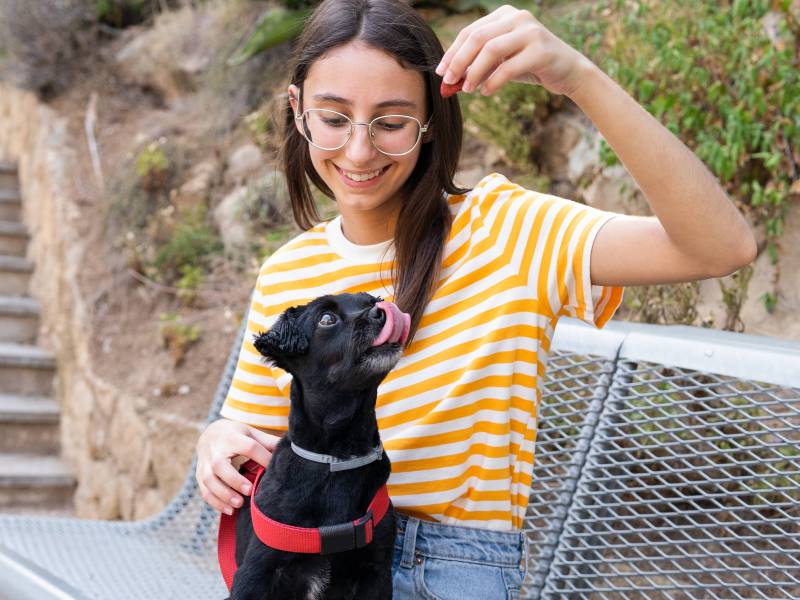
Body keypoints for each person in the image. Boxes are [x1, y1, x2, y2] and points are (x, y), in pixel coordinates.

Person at [196, 0, 757, 597]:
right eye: (334, 118)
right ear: (298, 113)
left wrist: (579, 79)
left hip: (451, 571)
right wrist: (218, 441)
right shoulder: (289, 271)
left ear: (431, 123)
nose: (359, 151)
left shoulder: (506, 230)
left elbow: (719, 247)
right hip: (309, 563)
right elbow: (257, 438)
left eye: (391, 122)